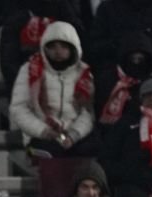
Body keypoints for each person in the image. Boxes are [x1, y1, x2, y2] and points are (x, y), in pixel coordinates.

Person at [8, 21, 96, 159]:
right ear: (44, 48)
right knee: (50, 153)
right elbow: (19, 109)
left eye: (63, 46)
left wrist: (73, 135)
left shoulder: (84, 74)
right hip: (39, 136)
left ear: (73, 48)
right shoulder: (30, 70)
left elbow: (88, 112)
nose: (58, 51)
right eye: (52, 46)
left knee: (92, 150)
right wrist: (44, 131)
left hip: (75, 135)